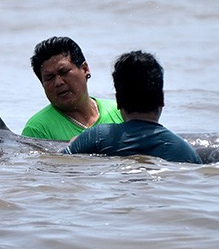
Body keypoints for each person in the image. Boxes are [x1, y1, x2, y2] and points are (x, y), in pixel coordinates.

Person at [62, 50, 201, 164]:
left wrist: (74, 144)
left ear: (118, 100)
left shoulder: (96, 137)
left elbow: (60, 163)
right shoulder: (184, 152)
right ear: (162, 99)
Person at [22, 36, 123, 141]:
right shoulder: (37, 130)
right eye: (49, 78)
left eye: (64, 72)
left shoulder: (120, 111)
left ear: (85, 69)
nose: (58, 82)